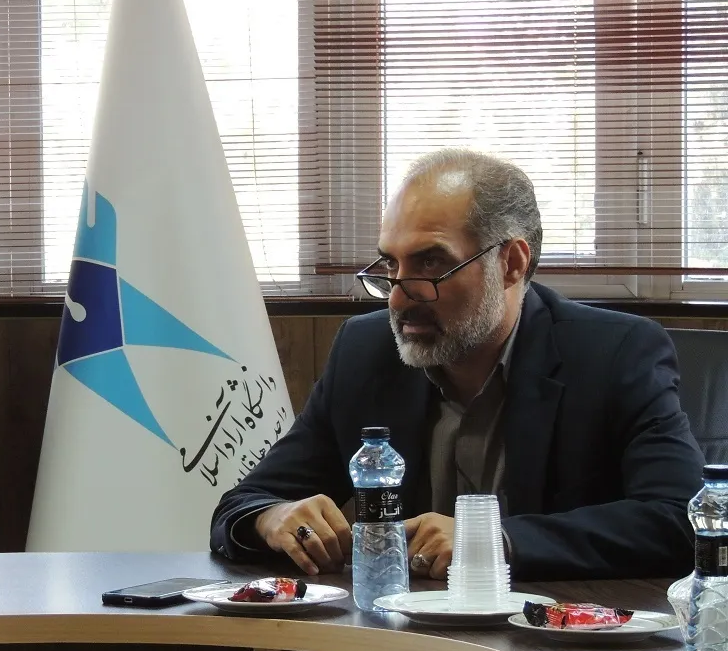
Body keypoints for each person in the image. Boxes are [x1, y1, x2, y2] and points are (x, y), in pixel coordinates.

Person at [211, 148, 704, 581]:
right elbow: (244, 504)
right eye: (391, 265)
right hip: (403, 638)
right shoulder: (366, 352)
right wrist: (272, 519)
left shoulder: (614, 354)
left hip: (557, 635)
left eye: (430, 263)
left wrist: (492, 541)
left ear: (511, 263)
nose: (399, 298)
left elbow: (682, 520)